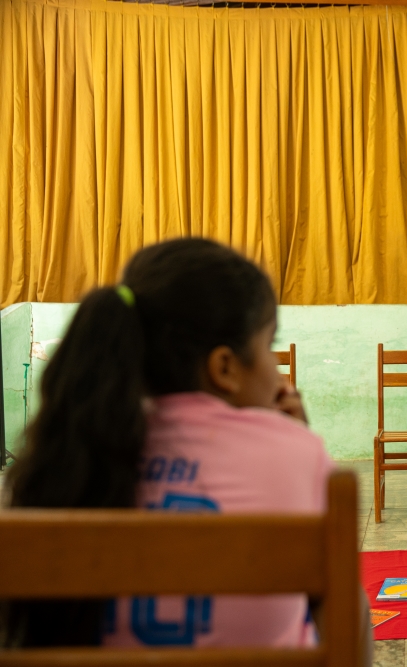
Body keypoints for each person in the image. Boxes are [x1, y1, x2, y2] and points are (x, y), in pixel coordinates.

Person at [1, 238, 372, 662]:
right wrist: (295, 439)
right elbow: (352, 650)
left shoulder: (62, 457)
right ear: (225, 368)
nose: (276, 369)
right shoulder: (297, 452)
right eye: (268, 346)